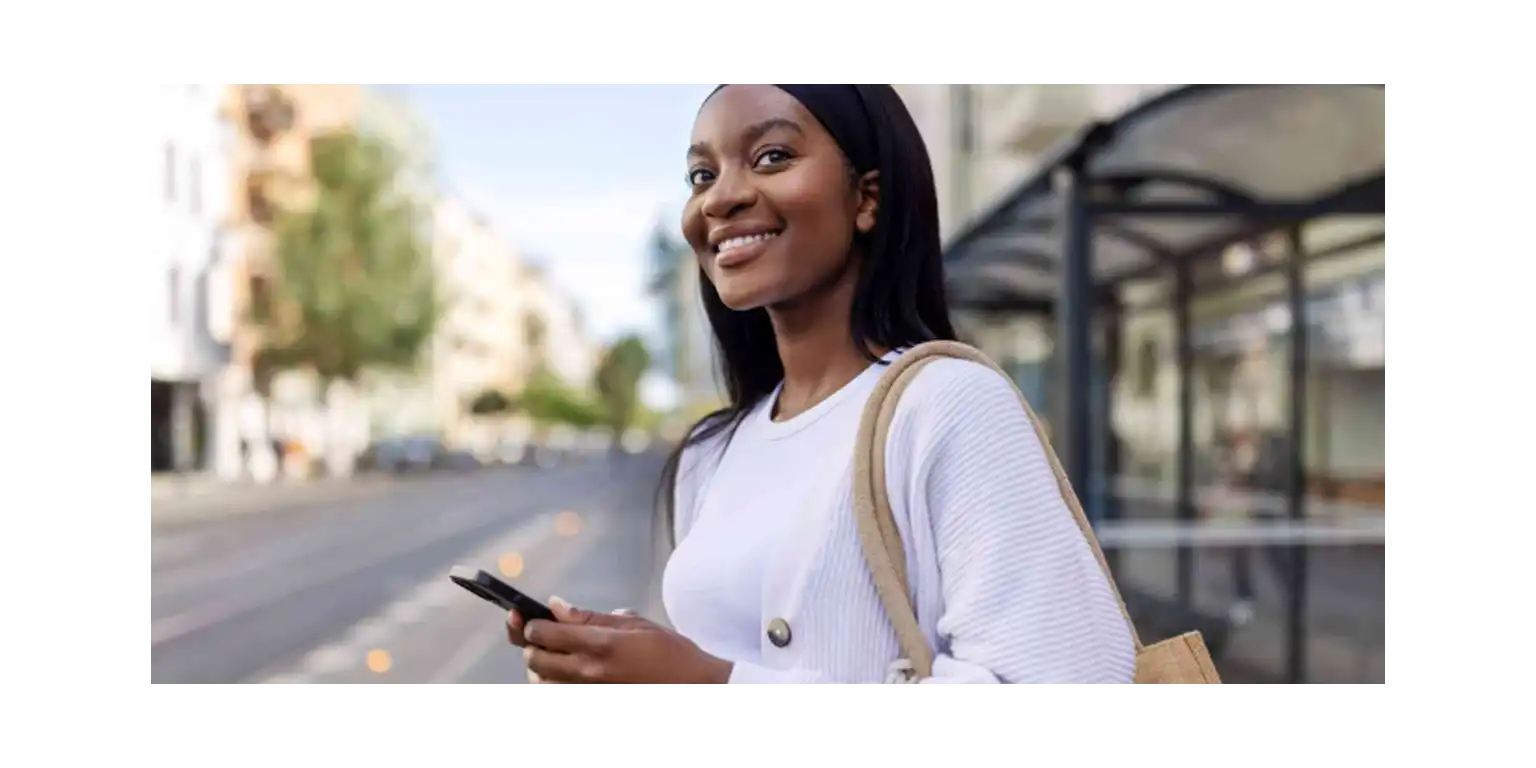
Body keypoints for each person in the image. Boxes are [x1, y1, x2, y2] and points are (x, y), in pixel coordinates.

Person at [504, 81, 1136, 686]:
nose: (720, 198)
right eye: (702, 174)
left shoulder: (945, 402)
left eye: (772, 156)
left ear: (867, 198)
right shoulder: (712, 452)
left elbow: (1067, 683)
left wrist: (709, 684)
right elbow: (729, 661)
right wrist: (626, 665)